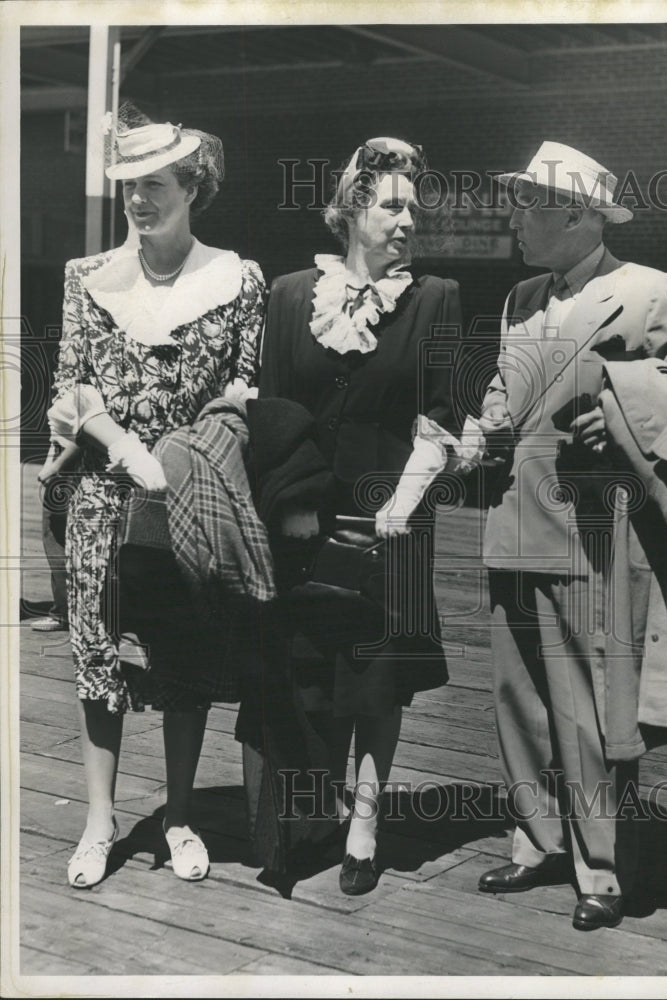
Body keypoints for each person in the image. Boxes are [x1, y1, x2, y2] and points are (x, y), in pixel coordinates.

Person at [465, 141, 667, 930]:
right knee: (517, 694)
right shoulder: (522, 296)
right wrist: (488, 426)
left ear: (578, 214)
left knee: (588, 704)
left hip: (598, 531)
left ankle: (600, 869)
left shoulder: (645, 291)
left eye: (529, 204)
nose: (514, 217)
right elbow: (510, 391)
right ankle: (534, 842)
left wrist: (624, 410)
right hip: (516, 518)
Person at [46, 106, 265, 889]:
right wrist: (129, 448)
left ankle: (177, 815)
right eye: (130, 186)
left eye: (156, 184)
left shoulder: (238, 278)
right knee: (98, 657)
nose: (141, 200)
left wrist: (194, 448)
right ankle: (99, 819)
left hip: (191, 498)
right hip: (104, 495)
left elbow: (247, 382)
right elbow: (72, 386)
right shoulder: (86, 278)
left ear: (192, 186)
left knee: (186, 659)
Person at [238, 137, 463, 896]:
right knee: (305, 672)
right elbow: (272, 410)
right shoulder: (289, 292)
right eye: (392, 206)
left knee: (377, 682)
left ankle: (364, 823)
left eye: (413, 210)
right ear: (351, 211)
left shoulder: (436, 298)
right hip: (304, 519)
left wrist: (402, 505)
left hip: (393, 519)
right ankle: (309, 820)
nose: (408, 222)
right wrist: (293, 508)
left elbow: (441, 415)